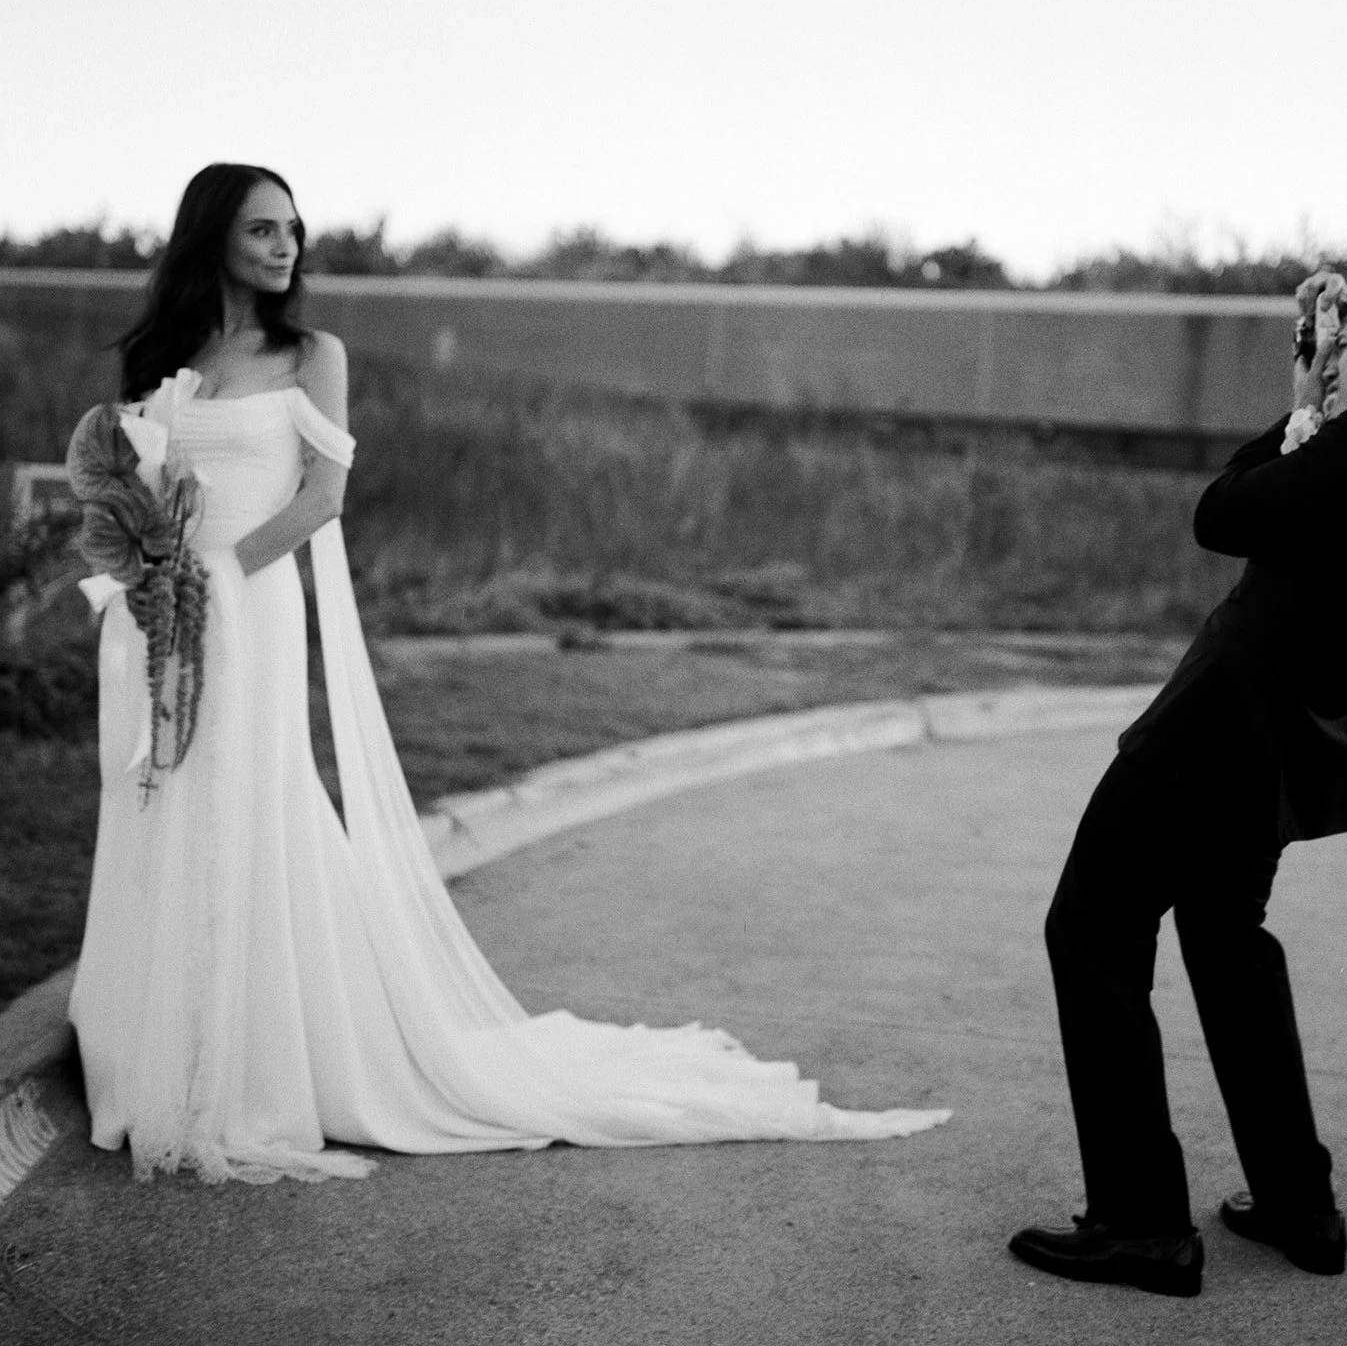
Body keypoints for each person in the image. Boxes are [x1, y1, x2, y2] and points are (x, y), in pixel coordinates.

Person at [69, 163, 948, 1183]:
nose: (285, 246)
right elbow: (127, 481)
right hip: (149, 615)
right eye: (263, 228)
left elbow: (322, 500)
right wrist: (142, 568)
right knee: (158, 802)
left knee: (244, 801)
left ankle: (244, 1063)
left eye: (293, 230)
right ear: (209, 233)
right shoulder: (161, 356)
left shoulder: (311, 354)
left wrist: (212, 573)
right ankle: (153, 1047)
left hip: (247, 598)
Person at [1009, 275, 1347, 1296]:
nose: (1333, 374)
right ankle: (1298, 1201)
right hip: (1299, 739)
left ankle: (1141, 1224)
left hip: (1215, 726)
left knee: (1092, 925)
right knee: (1225, 942)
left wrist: (1301, 404)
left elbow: (1225, 514)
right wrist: (1315, 392)